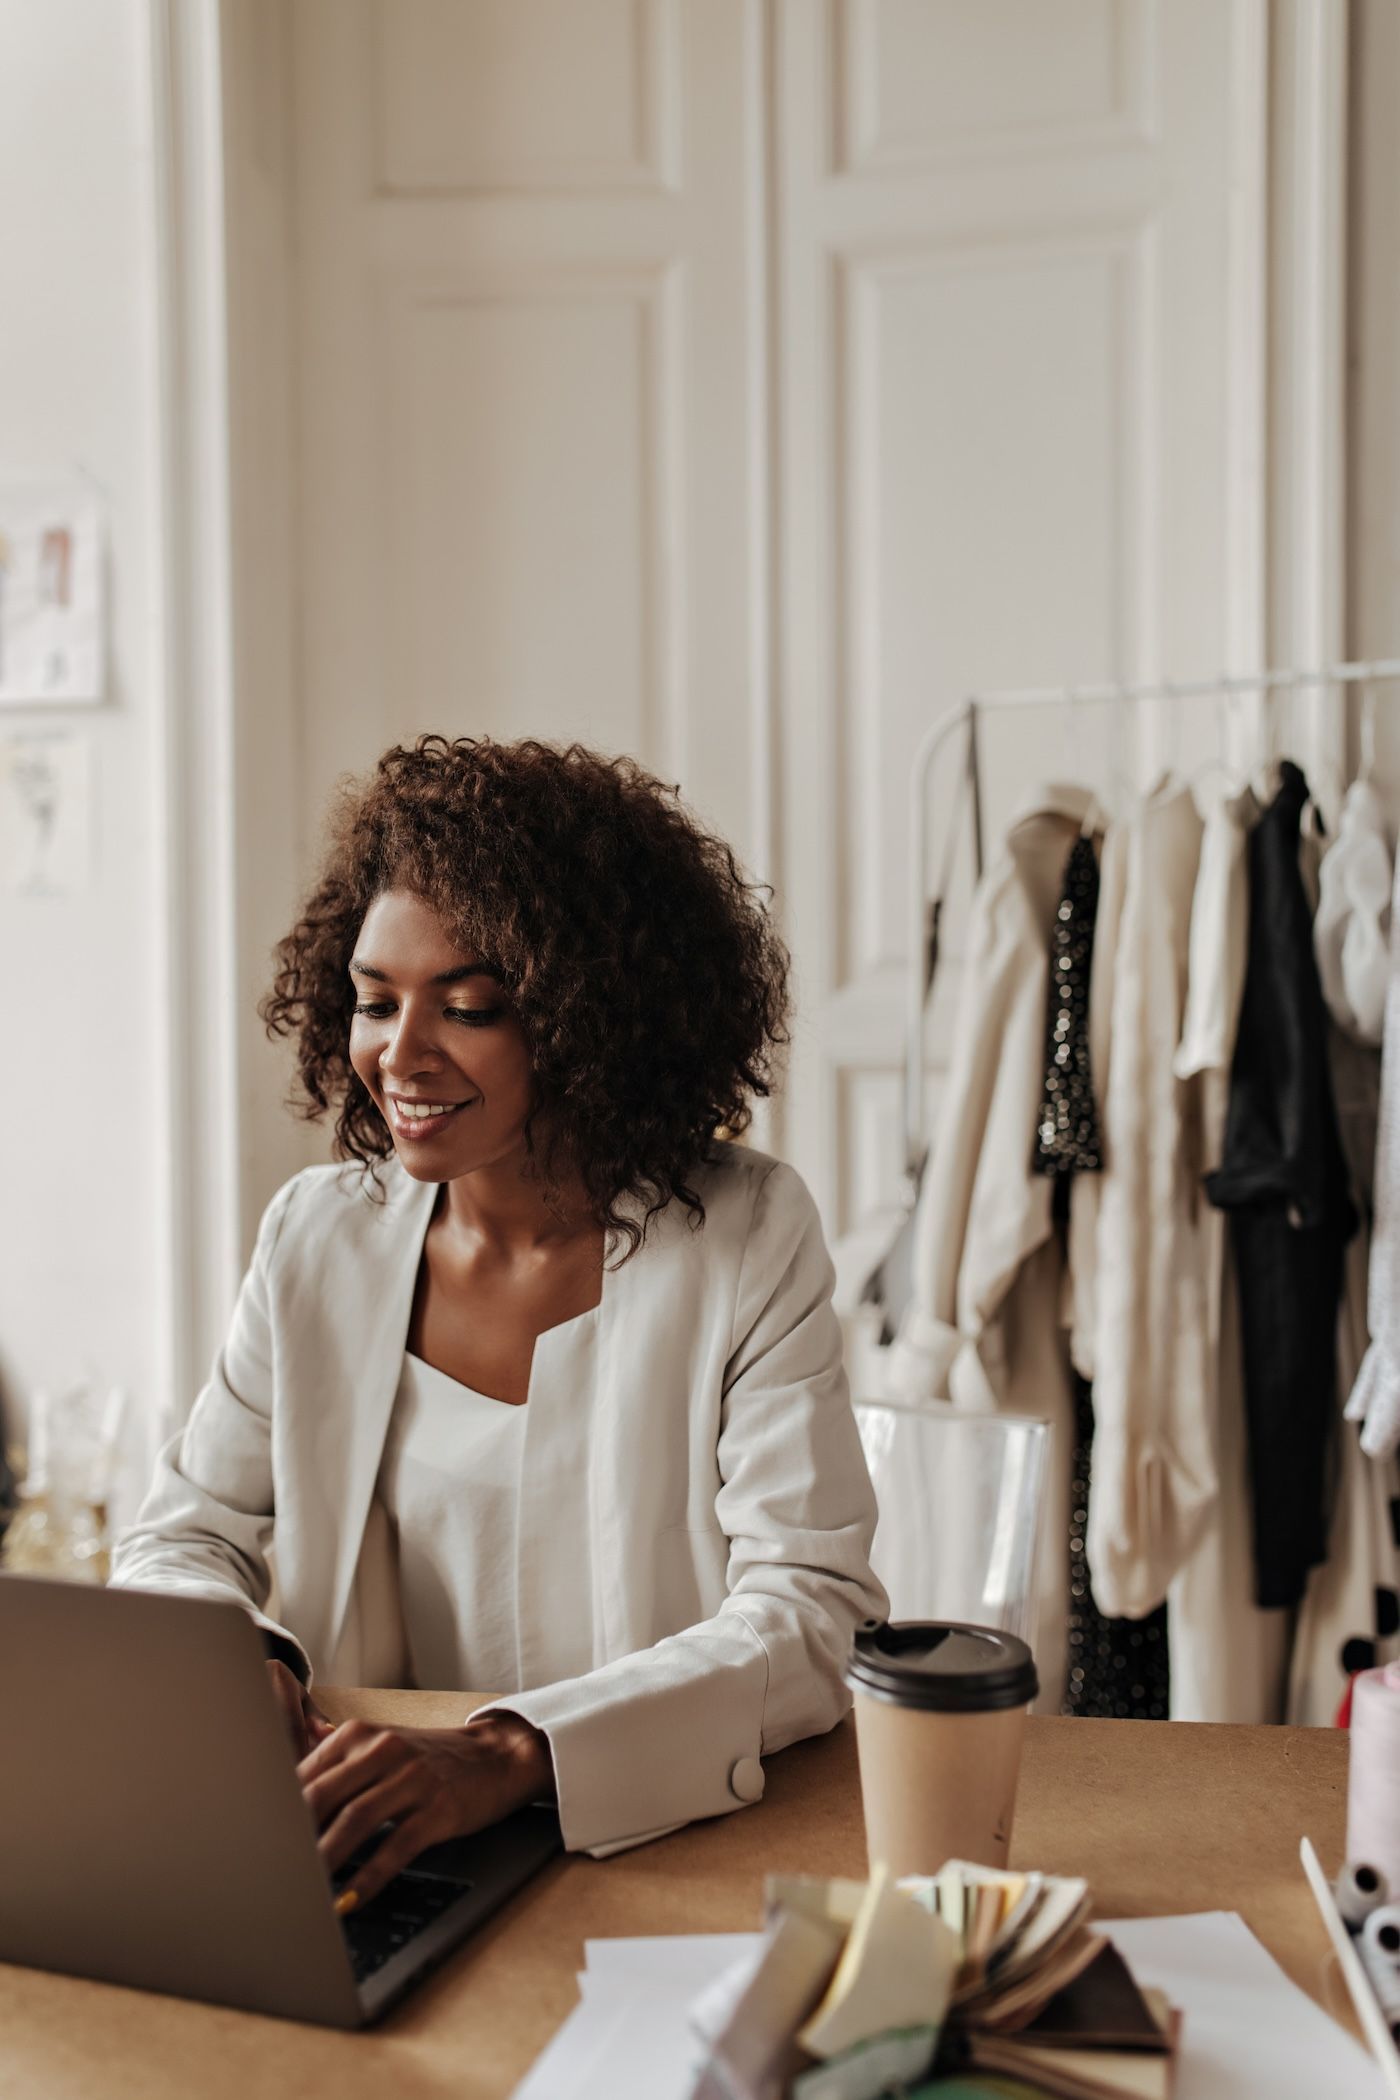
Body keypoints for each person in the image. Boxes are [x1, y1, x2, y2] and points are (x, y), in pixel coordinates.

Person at [113, 736, 885, 1909]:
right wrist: (239, 1663)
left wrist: (508, 1752)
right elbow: (181, 1537)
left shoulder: (743, 1234)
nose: (399, 1054)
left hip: (657, 1853)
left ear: (588, 1018)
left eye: (466, 1007)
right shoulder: (319, 1237)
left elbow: (808, 1611)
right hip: (367, 1861)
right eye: (374, 1001)